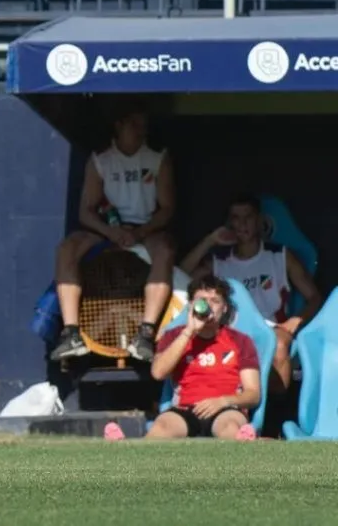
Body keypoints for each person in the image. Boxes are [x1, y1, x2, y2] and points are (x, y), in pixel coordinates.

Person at [50, 102, 176, 362]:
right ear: (119, 126)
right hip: (108, 230)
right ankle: (72, 334)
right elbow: (86, 211)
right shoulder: (100, 160)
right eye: (135, 124)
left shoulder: (157, 158)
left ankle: (145, 335)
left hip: (145, 229)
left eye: (144, 125)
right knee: (67, 248)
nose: (141, 130)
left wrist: (140, 232)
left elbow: (167, 209)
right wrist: (110, 231)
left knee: (165, 249)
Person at [180, 194, 322, 392]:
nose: (242, 224)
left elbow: (314, 298)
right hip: (229, 331)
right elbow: (180, 277)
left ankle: (272, 413)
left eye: (248, 217)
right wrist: (210, 241)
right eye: (236, 218)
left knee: (279, 344)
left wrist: (292, 323)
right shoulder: (219, 262)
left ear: (259, 220)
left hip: (270, 329)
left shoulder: (279, 256)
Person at [147, 275, 260, 439]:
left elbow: (253, 394)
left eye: (215, 301)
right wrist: (189, 331)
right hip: (184, 409)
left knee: (229, 428)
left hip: (226, 409)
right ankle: (120, 453)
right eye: (202, 300)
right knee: (161, 428)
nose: (208, 305)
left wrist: (223, 401)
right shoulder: (174, 336)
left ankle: (246, 447)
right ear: (191, 305)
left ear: (225, 308)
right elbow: (158, 373)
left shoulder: (241, 341)